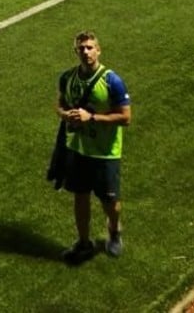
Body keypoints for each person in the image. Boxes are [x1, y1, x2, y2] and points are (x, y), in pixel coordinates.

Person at [56, 30, 131, 263]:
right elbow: (59, 103)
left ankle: (114, 230)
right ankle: (84, 242)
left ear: (98, 50)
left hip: (105, 152)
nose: (86, 52)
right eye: (81, 48)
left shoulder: (112, 81)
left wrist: (92, 118)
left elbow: (126, 117)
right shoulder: (67, 78)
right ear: (75, 51)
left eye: (90, 47)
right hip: (78, 149)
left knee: (110, 202)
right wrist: (65, 114)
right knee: (80, 196)